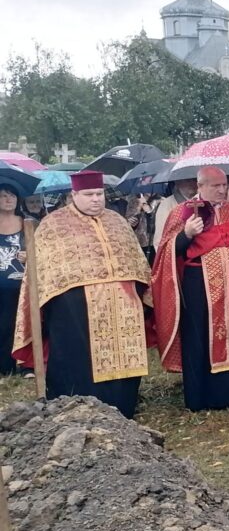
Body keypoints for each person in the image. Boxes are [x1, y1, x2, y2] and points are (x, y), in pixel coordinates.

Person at [13, 171, 151, 417]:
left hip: (122, 305)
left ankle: (123, 407)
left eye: (99, 194)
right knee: (79, 362)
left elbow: (136, 262)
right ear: (73, 195)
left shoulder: (117, 221)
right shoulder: (54, 225)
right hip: (74, 308)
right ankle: (79, 409)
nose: (96, 199)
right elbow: (44, 272)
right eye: (88, 195)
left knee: (124, 355)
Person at [151, 166, 229, 411]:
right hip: (198, 284)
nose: (222, 190)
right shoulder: (183, 213)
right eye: (216, 186)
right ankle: (201, 397)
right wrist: (187, 234)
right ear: (200, 186)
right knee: (199, 336)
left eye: (225, 185)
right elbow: (167, 251)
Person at [0, 185, 27, 376]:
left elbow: (41, 250)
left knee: (13, 324)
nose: (8, 199)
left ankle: (11, 365)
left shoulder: (27, 223)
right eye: (3, 196)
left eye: (12, 196)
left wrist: (30, 255)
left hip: (19, 284)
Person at [153, 179, 198, 248]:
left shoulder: (203, 200)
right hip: (178, 252)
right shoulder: (166, 204)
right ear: (177, 182)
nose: (192, 183)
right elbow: (160, 238)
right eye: (188, 180)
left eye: (195, 180)